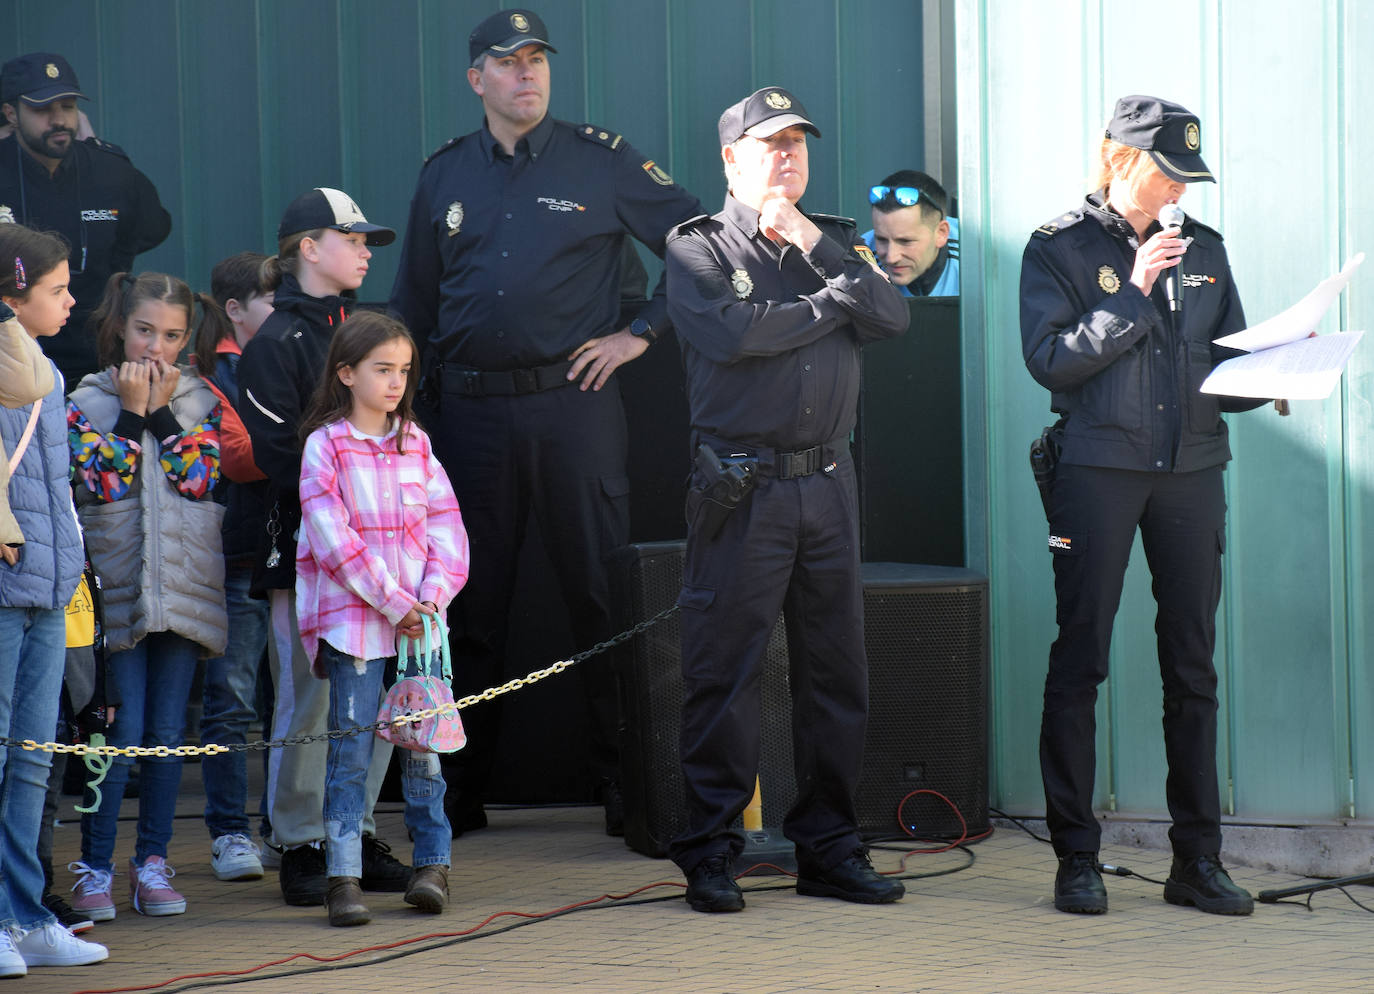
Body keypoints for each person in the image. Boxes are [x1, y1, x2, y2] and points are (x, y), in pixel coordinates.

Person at [389, 7, 705, 838]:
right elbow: (413, 301)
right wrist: (398, 415)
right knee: (466, 606)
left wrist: (641, 334)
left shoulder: (601, 160)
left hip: (574, 406)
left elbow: (699, 242)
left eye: (537, 59)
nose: (527, 72)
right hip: (468, 416)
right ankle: (456, 797)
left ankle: (625, 787)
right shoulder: (444, 174)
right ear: (477, 79)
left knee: (600, 596)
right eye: (509, 61)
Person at [663, 86, 909, 913]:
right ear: (731, 158)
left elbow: (892, 314)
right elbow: (734, 334)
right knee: (724, 674)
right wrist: (833, 302)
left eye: (798, 142)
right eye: (771, 143)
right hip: (743, 488)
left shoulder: (831, 240)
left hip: (828, 485)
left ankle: (831, 848)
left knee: (837, 675)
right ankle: (710, 851)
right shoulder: (696, 245)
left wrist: (819, 252)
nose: (788, 155)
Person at [1020, 94, 1264, 917]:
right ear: (1120, 160)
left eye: (1188, 177)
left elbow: (1223, 365)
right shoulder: (1058, 247)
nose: (1179, 191)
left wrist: (1276, 374)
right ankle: (1076, 858)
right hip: (1097, 472)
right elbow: (1051, 361)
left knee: (1192, 667)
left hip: (1191, 471)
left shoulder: (1208, 249)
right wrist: (1132, 291)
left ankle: (1197, 861)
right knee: (1080, 656)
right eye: (1167, 173)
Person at [238, 188, 411, 907]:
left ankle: (354, 831)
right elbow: (281, 457)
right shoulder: (275, 343)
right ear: (309, 248)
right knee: (310, 698)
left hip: (386, 557)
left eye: (369, 242)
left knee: (379, 697)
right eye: (353, 239)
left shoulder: (373, 334)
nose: (366, 252)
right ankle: (301, 840)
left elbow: (403, 441)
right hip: (306, 554)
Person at [296, 311, 469, 926]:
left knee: (424, 750)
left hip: (422, 631)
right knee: (350, 751)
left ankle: (433, 865)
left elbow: (448, 528)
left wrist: (432, 599)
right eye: (382, 369)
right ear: (346, 373)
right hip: (355, 624)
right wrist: (397, 604)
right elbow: (332, 541)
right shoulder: (325, 446)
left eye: (404, 370)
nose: (396, 382)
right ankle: (343, 876)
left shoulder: (415, 441)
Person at [64, 271, 227, 921]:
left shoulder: (202, 399)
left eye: (172, 336)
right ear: (118, 328)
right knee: (118, 731)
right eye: (143, 331)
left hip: (185, 592)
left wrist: (161, 411)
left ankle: (152, 860)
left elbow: (198, 479)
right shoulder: (87, 400)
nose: (156, 347)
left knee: (164, 734)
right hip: (117, 595)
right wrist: (132, 414)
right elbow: (103, 483)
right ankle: (95, 865)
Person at [0, 223, 109, 975]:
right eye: (57, 289)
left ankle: (27, 916)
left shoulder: (49, 374)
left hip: (48, 584)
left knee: (34, 760)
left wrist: (68, 567)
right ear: (13, 296)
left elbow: (59, 486)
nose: (71, 302)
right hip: (6, 586)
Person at [0, 53, 172, 386]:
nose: (59, 120)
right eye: (42, 110)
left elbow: (148, 230)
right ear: (11, 114)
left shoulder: (111, 171)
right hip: (13, 357)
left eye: (67, 107)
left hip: (97, 356)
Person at [192, 252, 274, 882]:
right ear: (235, 310)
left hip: (292, 553)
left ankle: (285, 828)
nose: (284, 312)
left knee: (293, 702)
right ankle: (230, 833)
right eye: (272, 300)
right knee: (232, 700)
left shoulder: (289, 358)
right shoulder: (208, 373)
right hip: (239, 552)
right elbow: (238, 459)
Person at [862, 169, 959, 297]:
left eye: (905, 241)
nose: (892, 258)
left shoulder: (977, 261)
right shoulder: (860, 258)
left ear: (941, 233)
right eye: (881, 239)